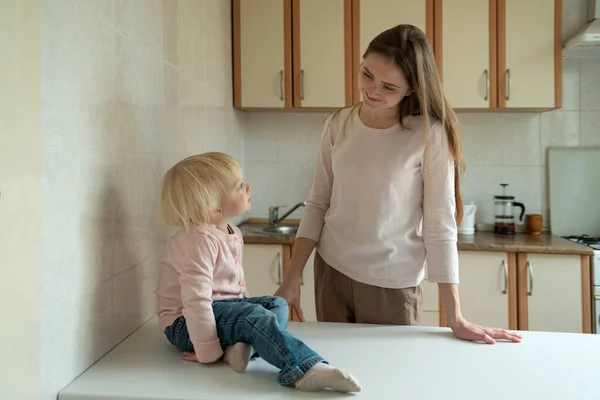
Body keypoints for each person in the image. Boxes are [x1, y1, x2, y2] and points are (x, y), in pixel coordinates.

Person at [275, 24, 522, 345]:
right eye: (367, 74)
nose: (373, 90)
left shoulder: (428, 134)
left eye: (389, 86)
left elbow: (439, 225)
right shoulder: (338, 124)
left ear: (412, 89)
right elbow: (318, 203)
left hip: (392, 285)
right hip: (331, 273)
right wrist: (291, 277)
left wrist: (455, 317)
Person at [155, 152, 361, 393]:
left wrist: (247, 310)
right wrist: (207, 351)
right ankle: (305, 369)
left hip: (220, 310)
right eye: (239, 186)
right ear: (214, 209)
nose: (248, 187)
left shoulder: (230, 230)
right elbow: (196, 301)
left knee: (277, 306)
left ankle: (240, 348)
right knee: (255, 317)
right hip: (185, 323)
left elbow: (236, 288)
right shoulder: (197, 240)